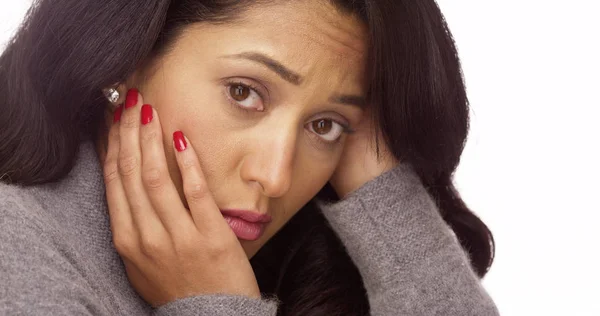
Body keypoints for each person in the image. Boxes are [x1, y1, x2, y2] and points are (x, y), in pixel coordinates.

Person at [0, 0, 499, 315]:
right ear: (125, 59)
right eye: (244, 92)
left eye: (324, 126)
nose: (276, 177)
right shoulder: (17, 258)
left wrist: (383, 196)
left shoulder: (308, 266)